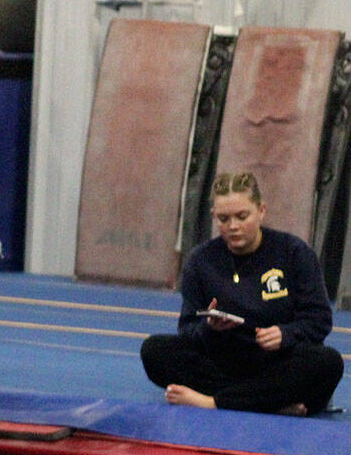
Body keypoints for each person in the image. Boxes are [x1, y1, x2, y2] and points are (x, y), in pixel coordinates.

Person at [140, 171, 343, 416]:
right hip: (224, 361)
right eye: (224, 219)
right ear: (214, 216)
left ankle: (213, 402)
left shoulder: (294, 253)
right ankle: (269, 403)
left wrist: (286, 334)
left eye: (242, 216)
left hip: (276, 362)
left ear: (261, 211)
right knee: (154, 350)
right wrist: (209, 328)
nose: (233, 226)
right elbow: (187, 330)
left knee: (328, 362)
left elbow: (319, 320)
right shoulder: (200, 261)